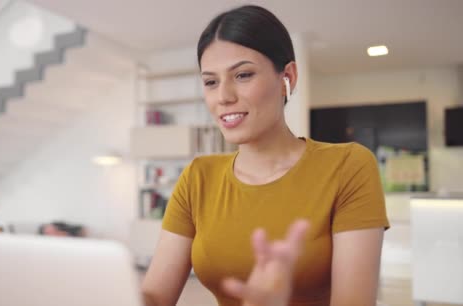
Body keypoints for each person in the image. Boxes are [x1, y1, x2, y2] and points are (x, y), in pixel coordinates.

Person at [141, 5, 389, 306]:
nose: (224, 97)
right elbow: (154, 299)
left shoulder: (348, 166)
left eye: (243, 75)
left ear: (288, 76)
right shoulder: (198, 176)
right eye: (210, 82)